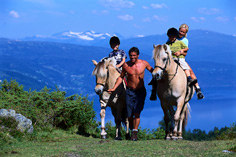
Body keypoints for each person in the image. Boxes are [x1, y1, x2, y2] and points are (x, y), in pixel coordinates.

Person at [108, 47, 153, 141]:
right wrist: (114, 88)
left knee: (137, 113)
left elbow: (153, 71)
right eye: (131, 56)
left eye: (134, 56)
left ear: (138, 55)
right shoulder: (126, 65)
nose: (132, 57)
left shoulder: (144, 63)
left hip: (140, 91)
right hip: (129, 91)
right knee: (129, 114)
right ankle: (133, 130)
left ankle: (134, 133)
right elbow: (121, 77)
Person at [178, 24, 204, 99]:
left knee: (190, 71)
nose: (181, 33)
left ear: (185, 33)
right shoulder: (173, 37)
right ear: (178, 30)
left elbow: (185, 52)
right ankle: (154, 87)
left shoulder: (185, 40)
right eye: (180, 31)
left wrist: (180, 52)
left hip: (180, 58)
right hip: (171, 58)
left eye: (183, 32)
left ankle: (197, 89)